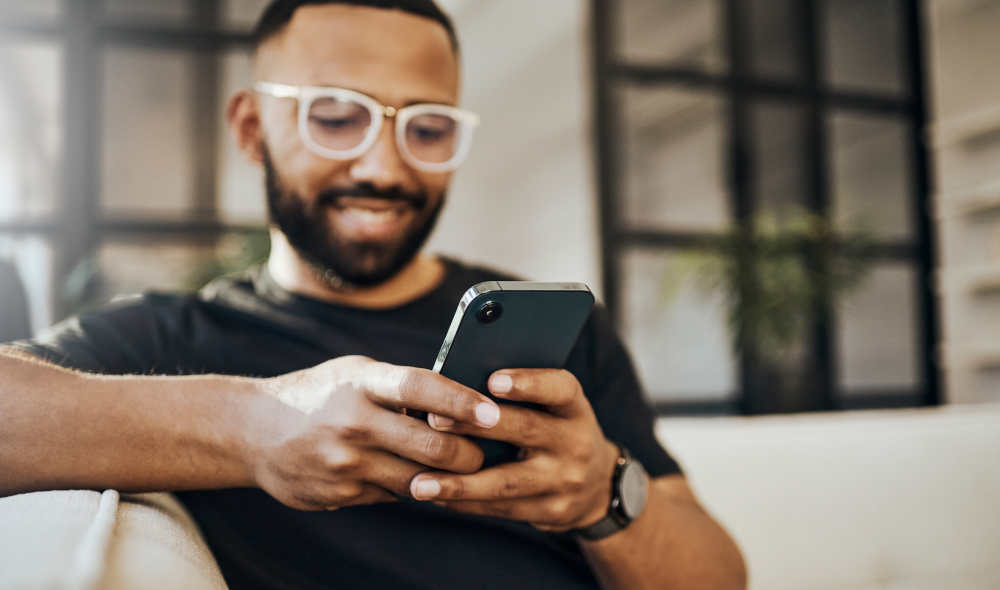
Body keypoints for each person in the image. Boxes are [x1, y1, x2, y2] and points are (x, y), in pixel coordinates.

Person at [0, 1, 746, 588]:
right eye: (335, 118)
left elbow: (720, 580)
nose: (383, 167)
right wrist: (254, 427)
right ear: (254, 130)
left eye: (427, 128)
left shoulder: (556, 328)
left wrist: (602, 497)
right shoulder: (172, 341)